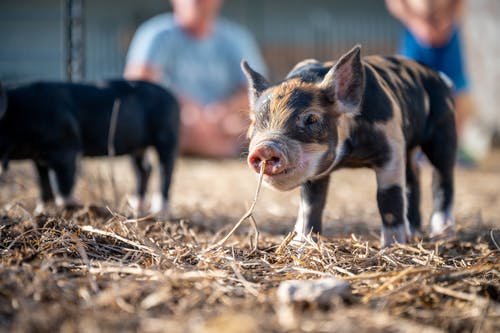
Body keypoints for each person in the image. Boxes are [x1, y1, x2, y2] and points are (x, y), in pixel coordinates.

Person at [124, 0, 267, 158]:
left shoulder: (237, 37)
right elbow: (137, 84)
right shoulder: (155, 33)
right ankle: (227, 150)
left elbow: (256, 90)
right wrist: (188, 107)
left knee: (250, 126)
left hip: (224, 122)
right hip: (181, 118)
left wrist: (223, 110)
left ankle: (207, 147)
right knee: (173, 123)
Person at [385, 0, 477, 165]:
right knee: (410, 89)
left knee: (457, 91)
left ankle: (452, 147)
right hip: (415, 32)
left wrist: (447, 22)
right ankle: (415, 148)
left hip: (448, 32)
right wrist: (416, 23)